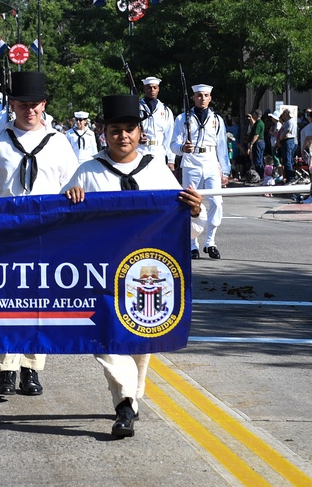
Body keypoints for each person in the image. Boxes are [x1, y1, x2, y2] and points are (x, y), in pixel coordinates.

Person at [62, 94, 204, 438]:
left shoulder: (156, 169)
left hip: (145, 270)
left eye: (129, 129)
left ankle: (131, 397)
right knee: (106, 337)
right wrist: (70, 199)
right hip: (100, 271)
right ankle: (124, 404)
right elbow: (61, 221)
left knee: (141, 341)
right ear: (103, 133)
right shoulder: (87, 171)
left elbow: (179, 219)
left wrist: (194, 209)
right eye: (115, 130)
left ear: (140, 133)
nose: (122, 136)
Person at [0, 71, 77, 397]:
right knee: (4, 302)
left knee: (37, 304)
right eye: (22, 104)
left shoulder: (59, 143)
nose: (29, 110)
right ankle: (6, 370)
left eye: (34, 104)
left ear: (43, 105)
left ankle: (31, 369)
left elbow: (73, 187)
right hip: (6, 233)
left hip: (45, 233)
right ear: (12, 105)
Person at [170, 84, 230, 259]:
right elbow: (173, 145)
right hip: (191, 162)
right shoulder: (182, 118)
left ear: (210, 98)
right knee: (190, 202)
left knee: (216, 201)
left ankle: (210, 241)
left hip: (211, 162)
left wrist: (225, 171)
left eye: (205, 95)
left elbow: (222, 147)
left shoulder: (217, 119)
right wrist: (182, 148)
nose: (202, 98)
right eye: (198, 95)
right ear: (193, 97)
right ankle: (192, 243)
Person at [137, 76, 176, 169]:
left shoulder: (165, 110)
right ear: (144, 89)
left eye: (155, 87)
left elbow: (169, 136)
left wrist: (171, 160)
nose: (152, 90)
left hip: (158, 151)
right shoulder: (136, 108)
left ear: (158, 89)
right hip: (140, 150)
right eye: (149, 87)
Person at [246, 110, 265, 178]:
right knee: (260, 159)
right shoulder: (259, 122)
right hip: (261, 143)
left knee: (257, 160)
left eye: (254, 114)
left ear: (256, 115)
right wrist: (251, 119)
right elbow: (254, 125)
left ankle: (259, 175)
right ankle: (261, 175)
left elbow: (256, 135)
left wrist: (251, 143)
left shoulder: (259, 123)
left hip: (258, 143)